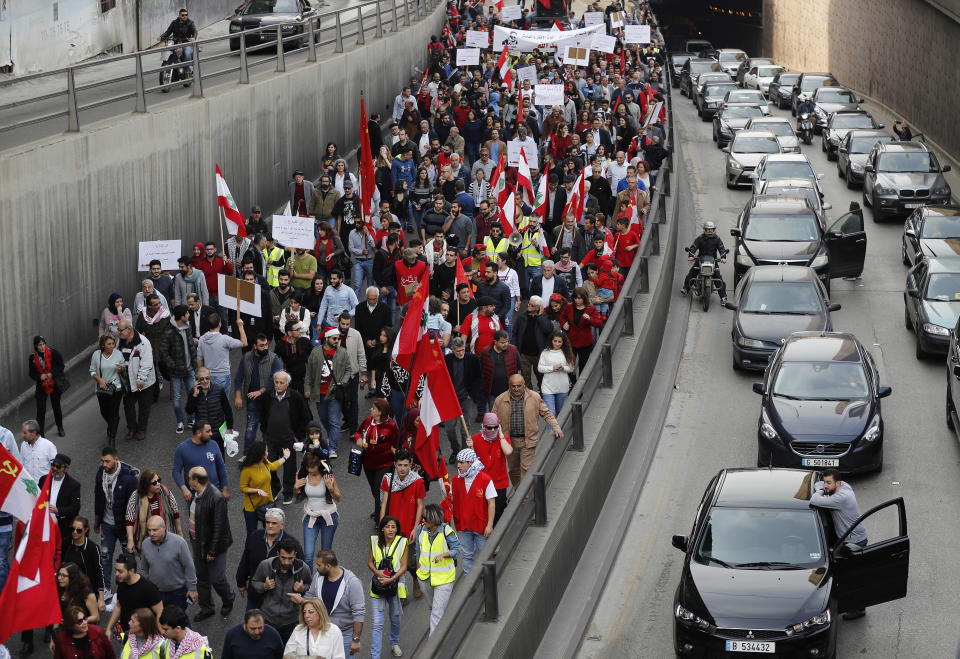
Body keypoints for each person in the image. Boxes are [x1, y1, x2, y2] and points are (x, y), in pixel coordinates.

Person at [810, 468, 869, 619]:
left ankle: (857, 609)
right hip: (845, 539)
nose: (826, 486)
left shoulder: (841, 498)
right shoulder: (844, 486)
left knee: (849, 575)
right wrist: (823, 486)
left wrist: (821, 490)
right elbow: (820, 487)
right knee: (848, 573)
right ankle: (851, 603)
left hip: (854, 542)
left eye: (829, 483)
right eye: (825, 482)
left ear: (838, 483)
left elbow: (814, 499)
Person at [492, 375, 564, 487]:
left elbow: (546, 413)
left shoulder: (534, 397)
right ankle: (518, 494)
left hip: (528, 441)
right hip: (509, 442)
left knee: (526, 470)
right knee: (514, 470)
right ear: (509, 386)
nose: (516, 389)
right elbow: (492, 420)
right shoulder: (500, 400)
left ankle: (525, 499)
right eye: (513, 386)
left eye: (519, 386)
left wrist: (556, 427)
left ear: (524, 385)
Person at [187, 466, 235, 621]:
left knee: (216, 578)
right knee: (201, 577)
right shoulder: (198, 494)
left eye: (189, 478)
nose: (187, 481)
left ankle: (228, 598)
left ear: (195, 480)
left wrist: (212, 551)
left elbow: (218, 528)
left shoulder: (216, 497)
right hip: (198, 542)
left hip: (214, 546)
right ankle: (207, 608)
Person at [236, 508, 304, 612]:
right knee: (252, 626)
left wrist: (299, 592)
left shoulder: (292, 544)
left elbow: (300, 570)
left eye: (274, 523)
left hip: (279, 600)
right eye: (267, 522)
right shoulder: (254, 537)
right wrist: (241, 582)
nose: (270, 525)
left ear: (282, 525)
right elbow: (245, 561)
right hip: (256, 594)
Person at [299, 550, 365, 658]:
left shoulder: (352, 583)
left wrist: (356, 639)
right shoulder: (318, 577)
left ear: (328, 566)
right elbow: (310, 596)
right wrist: (301, 600)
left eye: (319, 565)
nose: (315, 567)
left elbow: (359, 613)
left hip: (344, 635)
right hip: (322, 632)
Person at [259, 371, 311, 505]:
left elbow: (305, 418)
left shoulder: (295, 397)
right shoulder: (267, 396)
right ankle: (275, 487)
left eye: (281, 382)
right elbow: (263, 415)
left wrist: (298, 436)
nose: (278, 385)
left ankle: (288, 492)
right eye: (276, 382)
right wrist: (264, 432)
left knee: (289, 467)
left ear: (287, 384)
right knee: (268, 466)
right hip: (270, 438)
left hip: (288, 439)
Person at [94, 447, 140, 597]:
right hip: (107, 524)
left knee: (128, 557)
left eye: (107, 461)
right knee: (105, 557)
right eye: (102, 461)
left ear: (116, 460)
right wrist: (97, 520)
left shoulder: (129, 479)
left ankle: (130, 587)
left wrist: (132, 531)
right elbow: (98, 496)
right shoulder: (100, 473)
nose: (104, 464)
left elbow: (134, 507)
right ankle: (106, 589)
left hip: (124, 526)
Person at [250, 538, 312, 643]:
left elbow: (310, 587)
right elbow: (255, 581)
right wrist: (264, 586)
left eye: (290, 558)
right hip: (268, 619)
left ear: (295, 554)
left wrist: (302, 589)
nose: (286, 562)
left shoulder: (303, 569)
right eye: (283, 558)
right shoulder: (265, 565)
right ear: (278, 554)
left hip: (291, 622)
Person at [139, 516, 198, 627]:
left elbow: (189, 566)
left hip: (177, 593)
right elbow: (144, 569)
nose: (151, 533)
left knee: (179, 623)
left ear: (164, 528)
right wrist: (146, 589)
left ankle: (186, 643)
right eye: (149, 530)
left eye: (155, 530)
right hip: (155, 593)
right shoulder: (145, 544)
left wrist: (192, 588)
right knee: (159, 622)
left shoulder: (179, 543)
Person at [305, 328, 354, 459]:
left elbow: (348, 370)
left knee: (334, 421)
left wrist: (343, 382)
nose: (337, 341)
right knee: (323, 418)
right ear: (326, 338)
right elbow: (309, 372)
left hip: (334, 393)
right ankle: (332, 435)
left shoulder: (342, 352)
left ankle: (332, 447)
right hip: (319, 392)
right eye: (334, 338)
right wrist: (307, 389)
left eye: (338, 338)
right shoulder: (315, 352)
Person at [412, 504, 460, 635]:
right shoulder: (420, 530)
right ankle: (443, 629)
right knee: (433, 608)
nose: (422, 520)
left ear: (434, 519)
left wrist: (444, 555)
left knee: (437, 612)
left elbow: (457, 550)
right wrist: (418, 572)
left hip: (444, 579)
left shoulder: (447, 531)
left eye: (425, 518)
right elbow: (417, 550)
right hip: (424, 578)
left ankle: (432, 646)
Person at [233, 334, 283, 451]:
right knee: (250, 429)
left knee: (268, 431)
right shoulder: (246, 358)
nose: (265, 347)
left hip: (270, 400)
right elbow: (238, 378)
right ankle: (247, 456)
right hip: (253, 400)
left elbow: (275, 378)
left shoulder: (273, 358)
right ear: (254, 346)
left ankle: (268, 456)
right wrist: (238, 396)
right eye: (262, 345)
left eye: (266, 345)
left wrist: (261, 391)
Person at [367, 516, 408, 658]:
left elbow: (403, 566)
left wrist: (391, 579)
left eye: (393, 527)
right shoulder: (374, 541)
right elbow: (370, 562)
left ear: (397, 529)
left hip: (396, 585)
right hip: (378, 585)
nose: (390, 530)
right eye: (388, 527)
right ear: (382, 528)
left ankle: (394, 643)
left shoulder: (403, 542)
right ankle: (375, 656)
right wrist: (377, 572)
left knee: (395, 618)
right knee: (377, 623)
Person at [451, 449, 496, 575]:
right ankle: (468, 581)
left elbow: (491, 503)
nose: (458, 465)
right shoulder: (455, 480)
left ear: (470, 463)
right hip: (463, 526)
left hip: (481, 526)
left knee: (484, 555)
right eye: (458, 462)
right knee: (466, 555)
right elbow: (453, 499)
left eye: (461, 462)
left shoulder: (485, 479)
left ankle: (488, 579)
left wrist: (490, 525)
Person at [354, 399, 399, 520]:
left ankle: (381, 520)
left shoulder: (391, 426)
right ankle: (382, 508)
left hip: (385, 464)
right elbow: (358, 433)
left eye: (373, 408)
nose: (371, 410)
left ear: (380, 412)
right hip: (368, 463)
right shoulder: (368, 421)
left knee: (380, 491)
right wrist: (358, 438)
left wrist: (395, 451)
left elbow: (396, 443)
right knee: (374, 489)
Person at [294, 449, 341, 564]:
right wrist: (295, 488)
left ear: (319, 464)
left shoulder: (328, 477)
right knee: (308, 555)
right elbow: (296, 496)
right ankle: (309, 582)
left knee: (325, 555)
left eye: (312, 467)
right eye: (308, 467)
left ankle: (324, 580)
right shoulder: (302, 477)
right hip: (310, 517)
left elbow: (338, 498)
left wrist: (330, 488)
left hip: (328, 517)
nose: (310, 470)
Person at [466, 413, 512, 525]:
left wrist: (500, 435)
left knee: (498, 512)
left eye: (495, 427)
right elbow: (469, 463)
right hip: (483, 483)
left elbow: (508, 451)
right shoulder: (475, 439)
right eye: (488, 427)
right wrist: (469, 448)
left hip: (499, 483)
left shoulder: (503, 438)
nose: (492, 430)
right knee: (484, 512)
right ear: (483, 426)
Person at [125, 468, 181, 557]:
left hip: (166, 538)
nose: (158, 484)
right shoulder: (135, 496)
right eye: (154, 483)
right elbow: (129, 519)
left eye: (159, 480)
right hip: (146, 540)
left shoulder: (165, 491)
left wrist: (179, 533)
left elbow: (175, 511)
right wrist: (131, 540)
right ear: (146, 485)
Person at [158, 305, 197, 434]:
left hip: (189, 369)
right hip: (176, 372)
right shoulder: (169, 331)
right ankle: (180, 421)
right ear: (182, 317)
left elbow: (191, 346)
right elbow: (163, 351)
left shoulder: (188, 327)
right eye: (187, 313)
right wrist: (172, 365)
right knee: (177, 398)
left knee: (192, 395)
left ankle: (191, 418)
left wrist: (194, 361)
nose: (189, 315)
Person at [239, 441, 290, 537]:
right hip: (251, 507)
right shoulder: (247, 469)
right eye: (266, 451)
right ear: (260, 454)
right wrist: (257, 490)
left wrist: (285, 457)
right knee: (252, 535)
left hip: (267, 503)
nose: (268, 453)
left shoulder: (265, 463)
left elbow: (274, 466)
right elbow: (243, 488)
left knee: (270, 533)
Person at [116, 320, 157, 442]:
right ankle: (131, 429)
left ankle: (141, 429)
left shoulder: (143, 343)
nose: (118, 333)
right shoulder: (121, 342)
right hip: (129, 381)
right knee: (128, 406)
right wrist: (121, 368)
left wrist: (141, 379)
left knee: (144, 406)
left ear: (129, 329)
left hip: (144, 382)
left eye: (120, 330)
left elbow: (147, 363)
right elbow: (120, 358)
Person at [172, 421, 229, 503]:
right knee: (196, 516)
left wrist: (225, 488)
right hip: (195, 496)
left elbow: (221, 467)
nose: (211, 434)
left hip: (215, 493)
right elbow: (176, 471)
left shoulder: (213, 444)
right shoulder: (182, 449)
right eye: (208, 431)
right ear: (198, 433)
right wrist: (184, 489)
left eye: (211, 430)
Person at [105, 555, 162, 636]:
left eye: (120, 571)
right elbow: (118, 606)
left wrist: (159, 636)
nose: (116, 574)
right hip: (127, 633)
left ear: (131, 571)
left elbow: (159, 612)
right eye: (116, 570)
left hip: (144, 636)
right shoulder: (122, 583)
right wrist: (108, 629)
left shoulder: (148, 588)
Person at [184, 367, 233, 455]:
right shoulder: (194, 392)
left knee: (219, 458)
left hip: (218, 432)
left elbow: (227, 410)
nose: (205, 381)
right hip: (202, 434)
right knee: (203, 460)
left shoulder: (219, 389)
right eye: (201, 379)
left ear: (210, 377)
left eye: (207, 378)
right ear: (197, 380)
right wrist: (195, 395)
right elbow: (189, 411)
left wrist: (229, 428)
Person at [61, 516, 106, 612]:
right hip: (69, 587)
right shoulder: (67, 543)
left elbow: (99, 572)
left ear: (85, 530)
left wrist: (101, 598)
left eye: (79, 530)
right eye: (72, 529)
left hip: (86, 590)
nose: (74, 532)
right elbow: (62, 564)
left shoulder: (93, 548)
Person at [196, 314, 247, 394]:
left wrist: (200, 376)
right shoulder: (224, 339)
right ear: (220, 324)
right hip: (222, 376)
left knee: (210, 401)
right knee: (223, 403)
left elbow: (199, 359)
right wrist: (240, 326)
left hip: (207, 376)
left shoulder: (202, 339)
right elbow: (244, 343)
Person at [511, 296, 555, 389]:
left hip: (538, 354)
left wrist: (540, 316)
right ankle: (529, 397)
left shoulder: (544, 317)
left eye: (532, 305)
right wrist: (515, 348)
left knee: (541, 377)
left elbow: (548, 330)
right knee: (525, 378)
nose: (528, 306)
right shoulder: (522, 316)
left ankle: (542, 394)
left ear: (538, 307)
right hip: (524, 354)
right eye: (529, 304)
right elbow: (515, 332)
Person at [680, 221, 728, 304]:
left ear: (714, 230)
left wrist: (723, 257)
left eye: (711, 229)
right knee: (692, 273)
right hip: (700, 260)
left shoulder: (717, 239)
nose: (710, 231)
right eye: (708, 229)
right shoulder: (700, 238)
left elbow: (722, 249)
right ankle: (686, 289)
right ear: (705, 229)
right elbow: (693, 247)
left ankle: (723, 297)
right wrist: (691, 255)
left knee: (718, 277)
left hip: (713, 261)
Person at [90, 333, 126, 446]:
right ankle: (111, 425)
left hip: (116, 388)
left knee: (114, 412)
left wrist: (121, 369)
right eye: (109, 344)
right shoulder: (96, 355)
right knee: (104, 411)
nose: (111, 346)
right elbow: (92, 371)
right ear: (103, 345)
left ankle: (112, 438)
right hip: (102, 389)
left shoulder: (118, 354)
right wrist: (99, 380)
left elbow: (124, 368)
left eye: (113, 343)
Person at [39, 453, 82, 542]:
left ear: (66, 469)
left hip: (61, 528)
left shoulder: (73, 485)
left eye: (58, 467)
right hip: (43, 526)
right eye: (53, 465)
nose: (54, 468)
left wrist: (58, 510)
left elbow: (75, 508)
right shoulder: (44, 480)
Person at [28, 335, 65, 437]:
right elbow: (31, 373)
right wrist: (40, 376)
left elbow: (61, 366)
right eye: (40, 345)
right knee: (41, 410)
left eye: (44, 344)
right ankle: (41, 434)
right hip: (41, 386)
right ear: (36, 346)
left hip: (54, 384)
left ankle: (60, 427)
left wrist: (51, 374)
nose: (42, 347)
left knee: (56, 406)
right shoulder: (32, 358)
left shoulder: (54, 353)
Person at [561, 287, 604, 371]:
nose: (577, 300)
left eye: (580, 298)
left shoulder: (591, 309)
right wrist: (563, 323)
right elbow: (562, 317)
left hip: (585, 343)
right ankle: (572, 383)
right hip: (571, 341)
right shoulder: (569, 307)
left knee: (583, 367)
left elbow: (599, 323)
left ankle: (582, 383)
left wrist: (589, 319)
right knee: (570, 365)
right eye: (575, 298)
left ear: (584, 298)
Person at [537, 330, 576, 418]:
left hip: (562, 387)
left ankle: (558, 432)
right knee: (551, 414)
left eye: (559, 342)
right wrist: (552, 368)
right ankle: (550, 432)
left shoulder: (566, 353)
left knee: (560, 413)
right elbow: (540, 368)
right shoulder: (545, 352)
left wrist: (563, 368)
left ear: (563, 342)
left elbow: (572, 368)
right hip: (548, 388)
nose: (557, 344)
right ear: (551, 341)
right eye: (555, 341)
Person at [158, 7, 197, 73]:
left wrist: (193, 37)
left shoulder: (190, 23)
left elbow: (194, 32)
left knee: (187, 53)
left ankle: (188, 70)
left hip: (186, 42)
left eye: (186, 15)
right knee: (169, 52)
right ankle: (172, 67)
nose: (185, 16)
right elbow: (168, 32)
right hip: (176, 42)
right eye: (183, 15)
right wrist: (161, 37)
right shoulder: (174, 23)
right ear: (179, 15)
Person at [19, 419, 57, 485]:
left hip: (44, 487)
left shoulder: (49, 446)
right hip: (29, 486)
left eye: (25, 433)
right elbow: (22, 464)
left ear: (33, 433)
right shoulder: (23, 445)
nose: (22, 435)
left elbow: (56, 469)